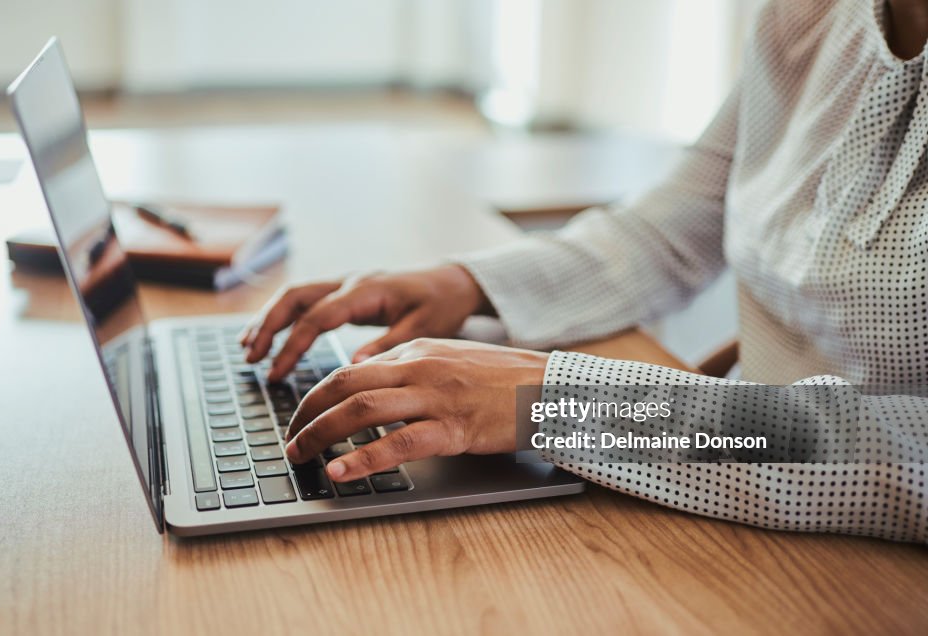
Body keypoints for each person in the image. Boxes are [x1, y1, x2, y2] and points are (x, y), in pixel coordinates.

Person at [241, 0, 928, 543]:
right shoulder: (805, 14)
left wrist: (571, 406)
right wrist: (466, 283)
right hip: (722, 485)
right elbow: (667, 230)